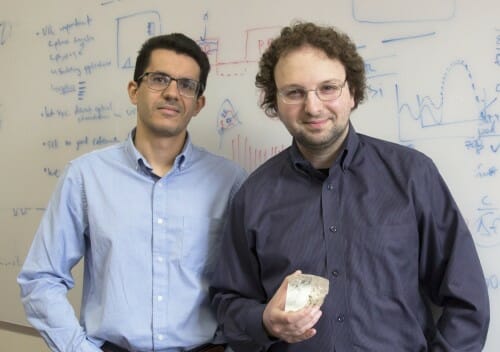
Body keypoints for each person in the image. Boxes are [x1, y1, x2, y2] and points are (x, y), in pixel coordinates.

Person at [210, 21, 490, 351]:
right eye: (295, 92)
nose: (313, 107)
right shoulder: (253, 196)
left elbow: (467, 301)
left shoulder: (413, 176)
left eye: (328, 88)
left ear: (352, 92)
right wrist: (264, 322)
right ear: (275, 101)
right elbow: (228, 303)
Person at [18, 33, 246, 352]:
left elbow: (248, 285)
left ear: (199, 103)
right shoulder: (85, 176)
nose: (171, 93)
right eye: (158, 79)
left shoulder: (230, 181)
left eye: (186, 85)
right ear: (134, 90)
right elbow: (41, 279)